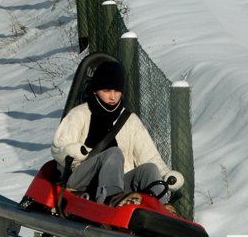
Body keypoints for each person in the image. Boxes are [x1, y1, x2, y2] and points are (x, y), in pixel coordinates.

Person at [51, 59, 184, 206]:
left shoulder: (130, 120)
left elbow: (150, 156)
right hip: (81, 179)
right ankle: (112, 199)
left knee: (149, 168)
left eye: (117, 91)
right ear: (95, 90)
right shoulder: (79, 114)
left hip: (119, 182)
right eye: (106, 91)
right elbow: (58, 147)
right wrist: (75, 150)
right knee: (114, 152)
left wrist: (166, 175)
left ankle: (163, 208)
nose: (113, 96)